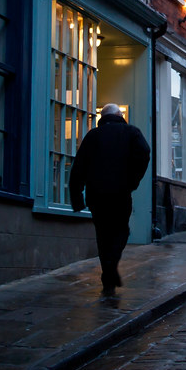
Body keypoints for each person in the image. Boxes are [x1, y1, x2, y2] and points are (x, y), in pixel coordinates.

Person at [69, 104, 150, 296]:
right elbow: (144, 153)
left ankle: (108, 272)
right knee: (121, 230)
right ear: (120, 116)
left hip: (96, 195)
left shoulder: (93, 136)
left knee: (103, 234)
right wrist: (133, 180)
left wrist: (77, 197)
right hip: (121, 193)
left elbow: (78, 167)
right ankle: (111, 269)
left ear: (103, 117)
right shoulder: (131, 132)